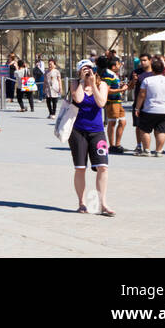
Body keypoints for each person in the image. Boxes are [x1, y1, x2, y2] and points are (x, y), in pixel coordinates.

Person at [68, 59, 113, 215]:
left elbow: (101, 103)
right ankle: (81, 203)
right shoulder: (75, 84)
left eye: (89, 69)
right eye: (84, 69)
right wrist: (82, 81)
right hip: (78, 132)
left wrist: (93, 84)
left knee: (103, 167)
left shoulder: (102, 85)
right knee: (80, 168)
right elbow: (78, 99)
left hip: (97, 131)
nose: (87, 72)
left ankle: (103, 203)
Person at [134, 57, 165, 157]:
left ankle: (147, 150)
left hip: (150, 109)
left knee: (145, 130)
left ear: (152, 69)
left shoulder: (147, 80)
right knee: (161, 131)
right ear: (163, 69)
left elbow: (142, 95)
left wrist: (137, 108)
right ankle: (158, 151)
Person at [98, 56, 127, 154]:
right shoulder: (108, 74)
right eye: (119, 64)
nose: (120, 65)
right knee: (112, 123)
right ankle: (112, 145)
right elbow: (107, 90)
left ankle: (117, 144)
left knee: (123, 122)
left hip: (118, 101)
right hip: (112, 102)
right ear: (114, 66)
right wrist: (121, 90)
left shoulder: (113, 74)